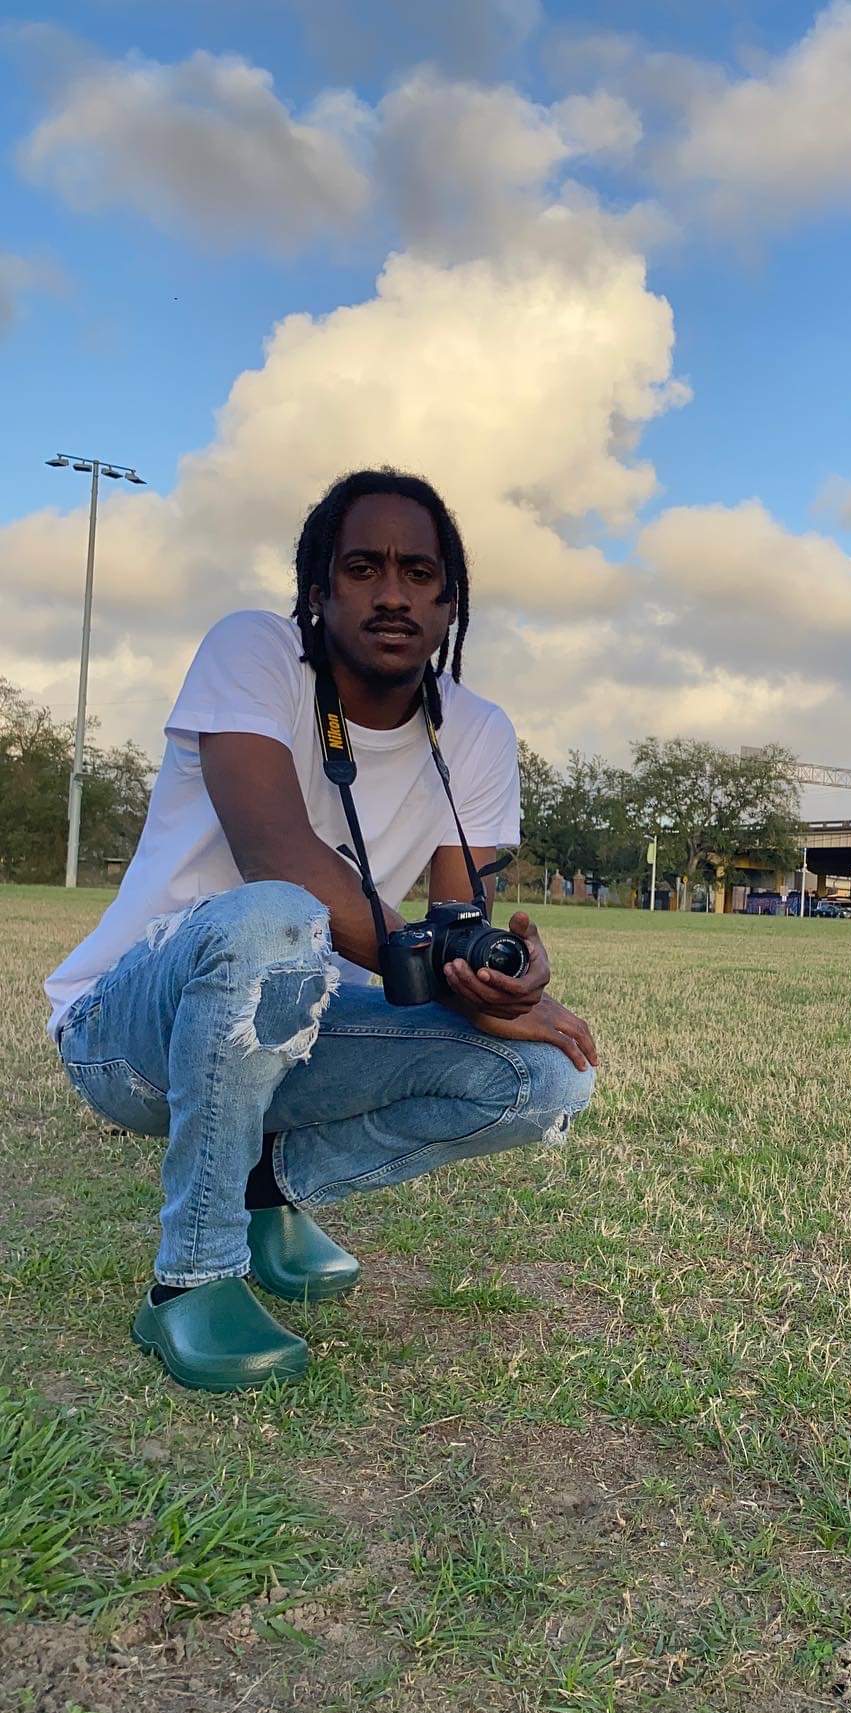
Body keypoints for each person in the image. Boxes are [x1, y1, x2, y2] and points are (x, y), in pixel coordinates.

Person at [44, 469, 597, 1393]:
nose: (393, 594)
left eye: (419, 573)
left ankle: (267, 1188)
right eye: (363, 568)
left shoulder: (476, 731)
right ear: (318, 589)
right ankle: (192, 1278)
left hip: (295, 1029)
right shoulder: (253, 651)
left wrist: (496, 979)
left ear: (450, 602)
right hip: (132, 1034)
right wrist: (429, 965)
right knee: (277, 917)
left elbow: (457, 919)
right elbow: (275, 849)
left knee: (546, 1079)